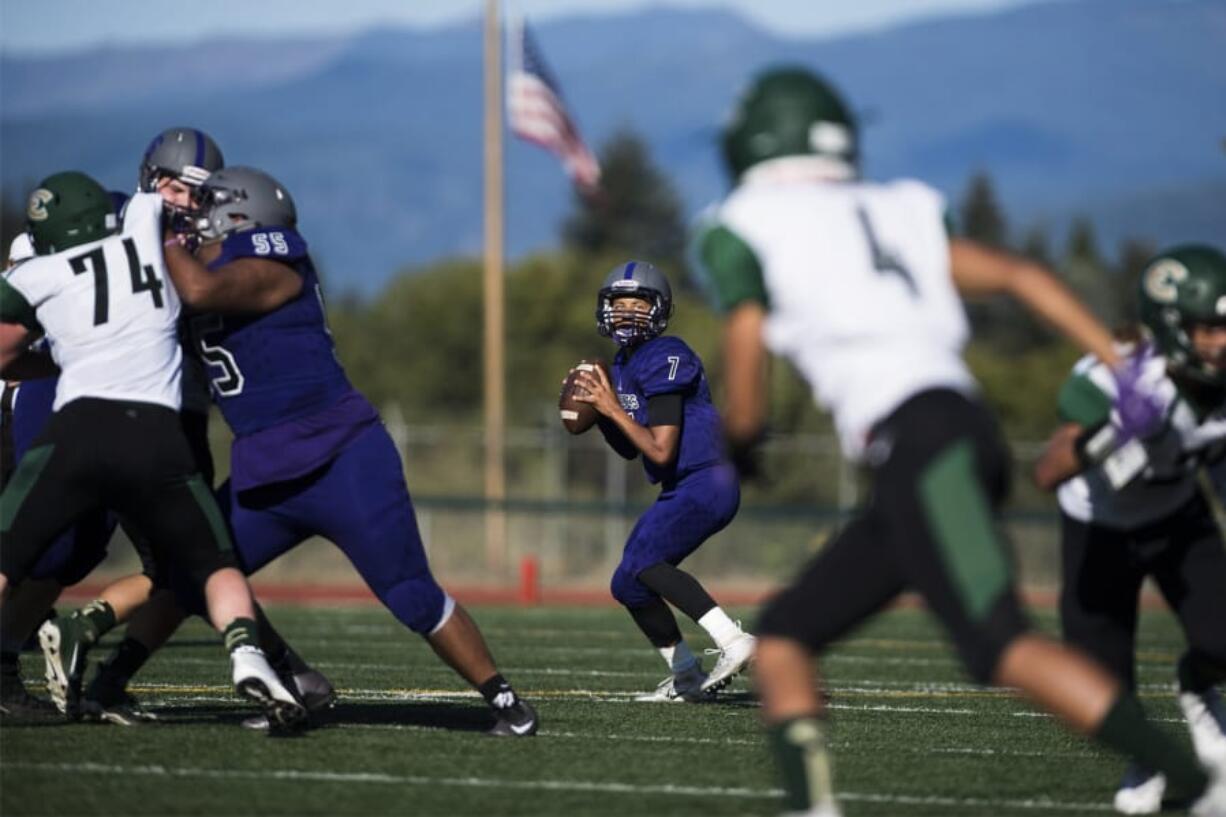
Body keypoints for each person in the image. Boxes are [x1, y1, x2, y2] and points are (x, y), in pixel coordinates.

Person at [691, 66, 1225, 816]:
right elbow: (1017, 273)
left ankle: (1193, 782)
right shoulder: (900, 204)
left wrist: (742, 433)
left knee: (1003, 642)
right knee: (782, 639)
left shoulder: (741, 219)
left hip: (923, 443)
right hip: (946, 438)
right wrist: (1114, 357)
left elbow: (745, 330)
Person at [105, 165, 538, 736]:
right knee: (191, 574)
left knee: (410, 594)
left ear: (240, 214)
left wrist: (154, 233)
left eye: (207, 206)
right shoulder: (207, 266)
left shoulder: (274, 259)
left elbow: (202, 288)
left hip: (341, 459)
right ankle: (109, 682)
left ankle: (505, 701)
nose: (196, 217)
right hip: (268, 471)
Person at [0, 171, 306, 732]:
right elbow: (173, 228)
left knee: (19, 550)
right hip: (156, 434)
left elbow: (4, 350)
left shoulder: (39, 265)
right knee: (212, 562)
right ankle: (250, 655)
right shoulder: (147, 226)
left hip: (77, 427)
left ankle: (36, 653)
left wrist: (60, 354)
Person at [1033, 244, 1226, 814]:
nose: (1222, 341)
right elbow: (1048, 469)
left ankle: (1196, 681)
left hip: (1177, 514)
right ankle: (1147, 758)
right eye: (1210, 328)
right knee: (1098, 690)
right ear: (1172, 326)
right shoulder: (1119, 373)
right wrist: (1111, 429)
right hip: (1100, 528)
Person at [569, 260, 754, 701]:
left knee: (648, 562)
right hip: (681, 486)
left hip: (707, 478)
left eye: (638, 303)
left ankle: (733, 641)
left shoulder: (667, 354)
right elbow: (630, 448)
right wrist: (601, 415)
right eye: (619, 303)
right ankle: (687, 674)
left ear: (659, 310)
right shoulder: (620, 364)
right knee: (628, 583)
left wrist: (611, 408)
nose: (627, 312)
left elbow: (660, 449)